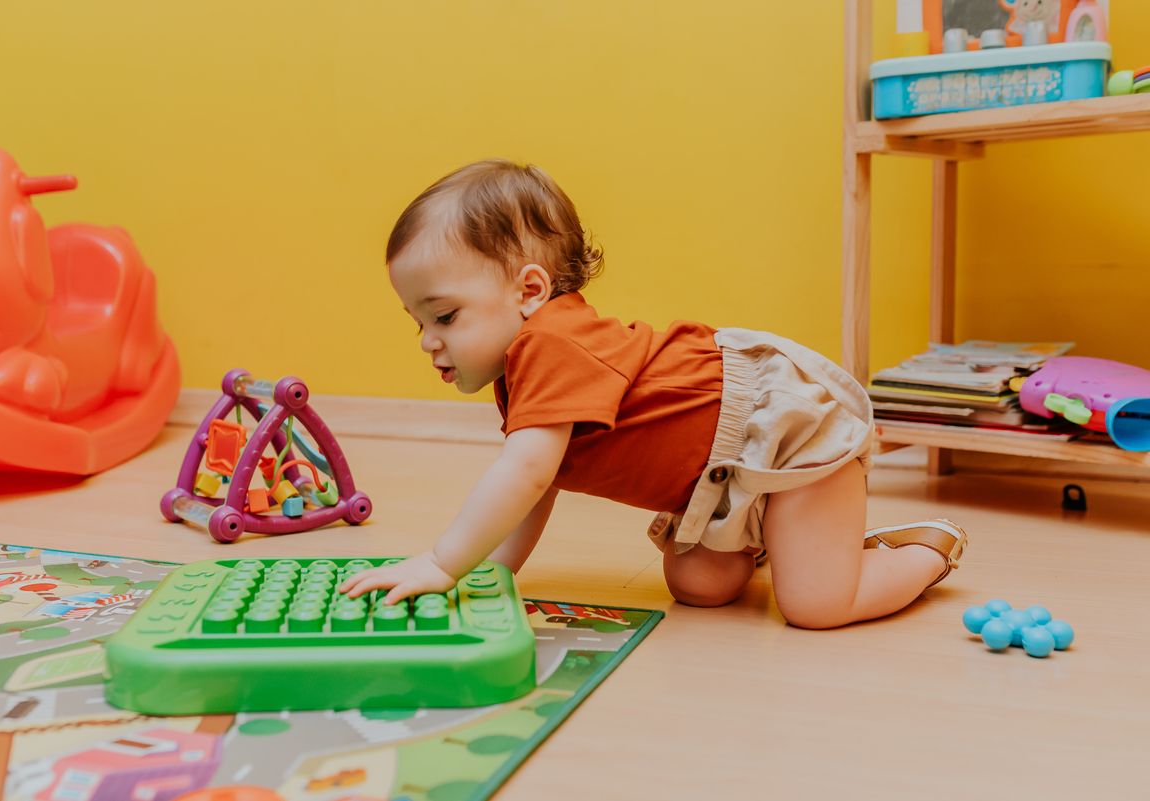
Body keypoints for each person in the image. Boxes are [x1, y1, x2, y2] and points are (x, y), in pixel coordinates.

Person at [339, 159, 966, 629]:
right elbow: (536, 489)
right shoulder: (523, 372)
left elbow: (525, 475)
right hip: (716, 479)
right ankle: (787, 538)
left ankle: (922, 550)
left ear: (530, 292)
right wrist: (487, 576)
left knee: (817, 607)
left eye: (444, 316)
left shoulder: (551, 343)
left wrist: (442, 563)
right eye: (417, 322)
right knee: (699, 585)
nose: (428, 341)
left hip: (780, 435)